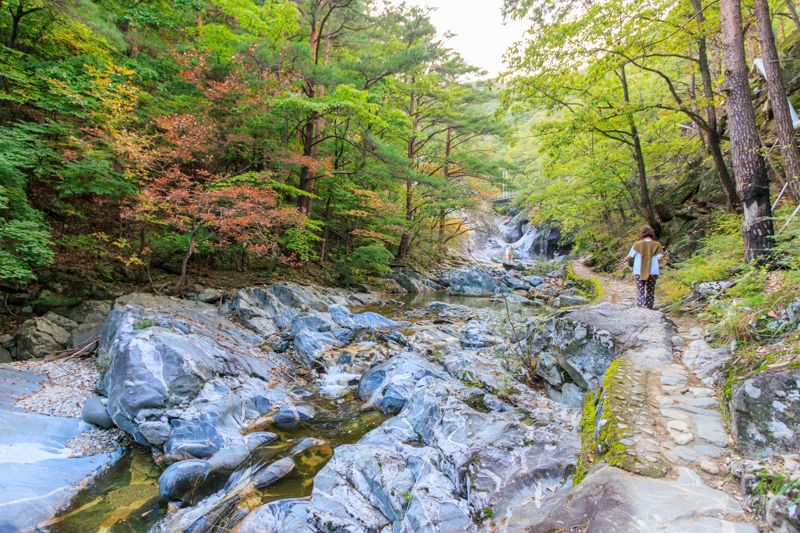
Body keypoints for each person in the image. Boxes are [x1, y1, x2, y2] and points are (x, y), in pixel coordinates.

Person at [623, 227, 664, 309]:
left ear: (643, 234)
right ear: (652, 234)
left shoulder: (637, 244)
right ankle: (649, 308)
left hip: (639, 271)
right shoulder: (657, 244)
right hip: (653, 271)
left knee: (640, 290)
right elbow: (660, 257)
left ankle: (642, 307)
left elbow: (630, 256)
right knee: (650, 290)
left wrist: (624, 260)